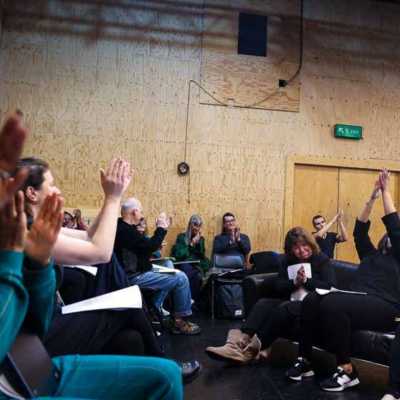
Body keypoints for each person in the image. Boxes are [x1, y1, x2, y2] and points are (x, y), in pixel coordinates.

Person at [0, 113, 183, 399]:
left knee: (131, 338)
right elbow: (99, 251)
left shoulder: (40, 228)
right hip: (28, 342)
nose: (58, 190)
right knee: (129, 306)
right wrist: (114, 198)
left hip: (38, 326)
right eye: (52, 184)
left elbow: (89, 237)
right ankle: (162, 357)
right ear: (33, 194)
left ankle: (160, 360)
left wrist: (107, 197)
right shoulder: (25, 232)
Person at [288, 169, 400, 392]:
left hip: (387, 306)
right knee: (311, 300)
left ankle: (347, 370)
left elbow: (394, 228)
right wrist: (372, 197)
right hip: (358, 300)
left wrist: (387, 191)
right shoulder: (370, 254)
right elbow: (360, 230)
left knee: (333, 303)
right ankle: (305, 360)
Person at [205, 226, 334, 364]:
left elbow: (328, 285)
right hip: (292, 299)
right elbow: (279, 285)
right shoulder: (287, 261)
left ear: (310, 243)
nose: (302, 251)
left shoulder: (322, 259)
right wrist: (294, 282)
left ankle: (249, 352)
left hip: (311, 304)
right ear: (290, 250)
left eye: (304, 245)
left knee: (282, 309)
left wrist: (306, 281)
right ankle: (237, 343)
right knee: (263, 303)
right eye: (296, 248)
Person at [115, 197, 201, 335]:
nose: (142, 215)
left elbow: (144, 248)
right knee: (181, 278)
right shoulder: (126, 231)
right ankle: (179, 322)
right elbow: (150, 246)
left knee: (173, 270)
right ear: (135, 212)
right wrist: (161, 228)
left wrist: (159, 234)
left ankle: (155, 307)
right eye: (141, 212)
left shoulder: (122, 227)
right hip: (134, 277)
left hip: (139, 270)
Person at [171, 214, 210, 303]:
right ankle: (185, 300)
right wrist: (191, 244)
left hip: (196, 264)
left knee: (197, 276)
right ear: (190, 225)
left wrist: (198, 242)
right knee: (188, 270)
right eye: (195, 225)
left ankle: (192, 301)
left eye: (199, 226)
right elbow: (180, 254)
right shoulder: (182, 237)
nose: (197, 228)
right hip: (183, 263)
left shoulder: (201, 239)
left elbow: (201, 254)